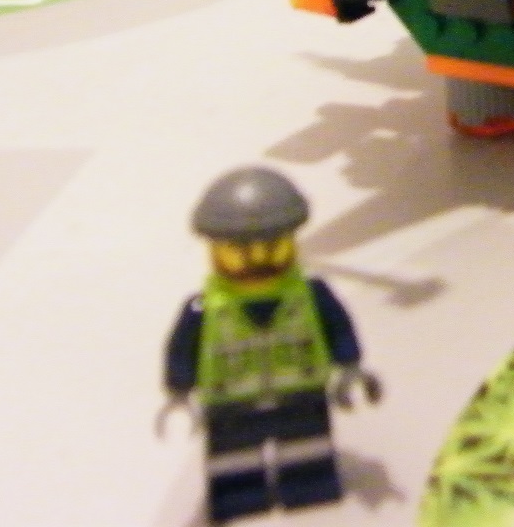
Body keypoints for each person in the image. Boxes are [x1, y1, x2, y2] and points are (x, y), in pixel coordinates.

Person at [160, 167, 381, 522]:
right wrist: (179, 389)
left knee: (308, 455)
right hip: (230, 404)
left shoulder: (311, 295)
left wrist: (350, 365)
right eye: (238, 254)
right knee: (234, 465)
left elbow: (338, 330)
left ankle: (309, 483)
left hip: (302, 394)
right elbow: (182, 350)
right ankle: (239, 493)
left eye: (273, 250)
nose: (257, 264)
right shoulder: (203, 309)